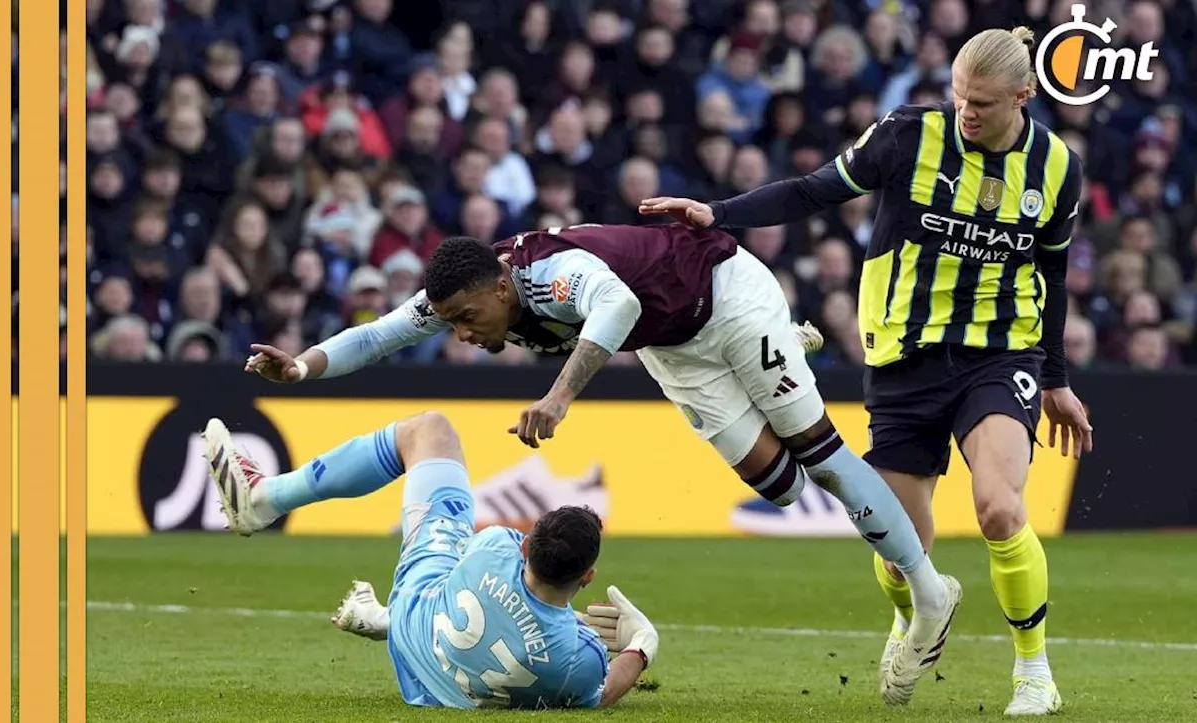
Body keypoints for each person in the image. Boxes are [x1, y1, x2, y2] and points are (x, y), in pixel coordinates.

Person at [243, 221, 961, 702]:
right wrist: (302, 369)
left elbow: (614, 304)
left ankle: (930, 592)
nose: (461, 332)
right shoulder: (469, 290)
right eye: (453, 322)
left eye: (470, 317)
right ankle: (782, 351)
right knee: (779, 485)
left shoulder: (547, 275)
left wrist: (558, 397)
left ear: (500, 286)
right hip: (675, 344)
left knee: (822, 457)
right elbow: (380, 337)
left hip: (723, 296)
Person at [637, 26, 1092, 717]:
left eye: (983, 103)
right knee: (901, 546)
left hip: (1000, 353)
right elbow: (813, 191)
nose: (965, 112)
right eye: (960, 97)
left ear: (1023, 97)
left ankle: (1034, 671)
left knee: (1000, 507)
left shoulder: (1057, 167)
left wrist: (1054, 377)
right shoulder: (909, 134)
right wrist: (718, 214)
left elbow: (1052, 274)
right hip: (904, 358)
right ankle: (918, 615)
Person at [202, 412, 659, 709]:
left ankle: (263, 500)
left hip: (416, 619)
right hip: (439, 689)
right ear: (588, 577)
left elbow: (508, 592)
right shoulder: (577, 659)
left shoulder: (497, 546)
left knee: (429, 432)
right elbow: (601, 694)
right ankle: (383, 617)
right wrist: (641, 644)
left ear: (526, 545)